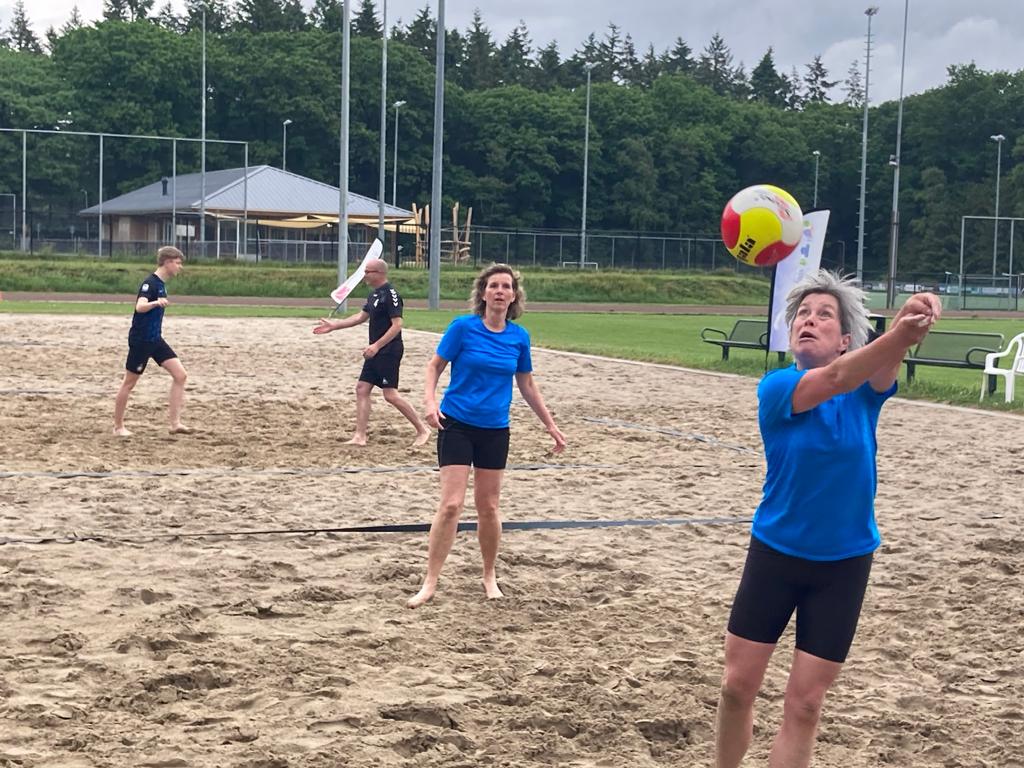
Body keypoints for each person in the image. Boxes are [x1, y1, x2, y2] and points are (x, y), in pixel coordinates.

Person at [714, 270, 942, 768]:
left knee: (806, 705)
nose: (809, 321)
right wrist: (900, 333)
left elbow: (874, 368)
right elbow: (837, 378)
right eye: (802, 314)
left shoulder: (866, 392)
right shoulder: (777, 387)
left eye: (824, 315)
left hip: (844, 563)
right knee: (736, 687)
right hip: (775, 554)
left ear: (845, 340)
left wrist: (909, 319)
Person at [407, 263, 567, 609]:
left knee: (489, 507)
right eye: (493, 285)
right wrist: (430, 403)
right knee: (451, 504)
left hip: (495, 429)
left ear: (514, 296)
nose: (499, 291)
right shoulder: (463, 328)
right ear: (483, 293)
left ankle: (489, 575)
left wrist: (550, 425)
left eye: (506, 286)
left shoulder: (519, 337)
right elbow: (434, 366)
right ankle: (430, 581)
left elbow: (526, 384)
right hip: (456, 423)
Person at [313, 257, 429, 447]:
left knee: (390, 395)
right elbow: (360, 317)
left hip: (388, 350)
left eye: (368, 272)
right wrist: (335, 325)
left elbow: (397, 325)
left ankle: (423, 430)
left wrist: (377, 346)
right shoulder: (374, 295)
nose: (364, 275)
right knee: (362, 389)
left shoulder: (391, 295)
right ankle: (360, 436)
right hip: (375, 351)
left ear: (380, 273)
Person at [112, 245, 191, 437]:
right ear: (167, 262)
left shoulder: (161, 284)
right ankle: (118, 427)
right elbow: (140, 307)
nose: (180, 267)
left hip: (155, 339)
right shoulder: (151, 284)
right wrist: (156, 302)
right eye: (177, 263)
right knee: (129, 383)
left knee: (180, 375)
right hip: (141, 340)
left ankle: (175, 424)